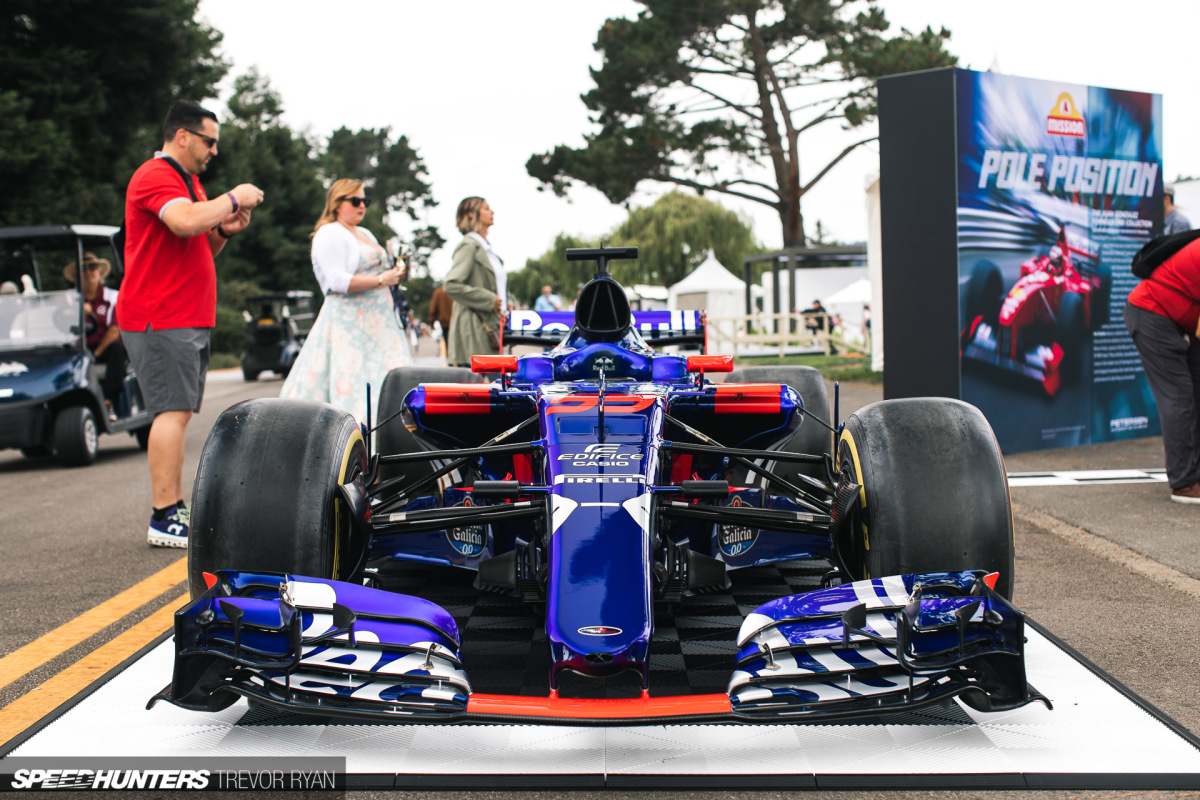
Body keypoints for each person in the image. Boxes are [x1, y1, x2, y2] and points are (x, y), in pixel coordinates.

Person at [120, 100, 263, 549]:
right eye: (209, 141)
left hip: (182, 314)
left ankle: (173, 507)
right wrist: (233, 198)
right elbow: (184, 223)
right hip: (160, 313)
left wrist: (223, 229)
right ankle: (164, 515)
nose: (214, 150)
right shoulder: (156, 175)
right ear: (182, 136)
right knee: (171, 411)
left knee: (178, 412)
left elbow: (198, 245)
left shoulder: (189, 182)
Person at [280, 179, 409, 423]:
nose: (362, 206)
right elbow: (336, 281)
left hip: (379, 324)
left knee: (387, 380)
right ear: (337, 203)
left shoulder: (365, 233)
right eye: (356, 201)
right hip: (349, 325)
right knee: (353, 382)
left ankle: (388, 435)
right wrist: (382, 279)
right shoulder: (329, 232)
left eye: (365, 201)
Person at [1124, 237, 1200, 503]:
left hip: (1178, 319)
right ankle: (1185, 483)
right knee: (1179, 397)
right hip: (1152, 315)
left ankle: (1194, 471)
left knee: (1195, 393)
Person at [444, 197, 503, 367]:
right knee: (483, 379)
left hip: (490, 326)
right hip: (475, 329)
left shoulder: (486, 249)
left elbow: (497, 286)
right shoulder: (469, 246)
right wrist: (489, 299)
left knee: (494, 377)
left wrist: (507, 301)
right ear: (471, 214)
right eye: (486, 208)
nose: (492, 212)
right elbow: (451, 285)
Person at [64, 253, 126, 413]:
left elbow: (115, 329)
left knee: (117, 349)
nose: (88, 272)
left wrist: (95, 354)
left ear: (99, 272)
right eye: (83, 269)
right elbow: (61, 326)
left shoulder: (113, 297)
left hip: (102, 348)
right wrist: (76, 313)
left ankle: (109, 399)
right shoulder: (69, 299)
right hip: (77, 348)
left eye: (92, 267)